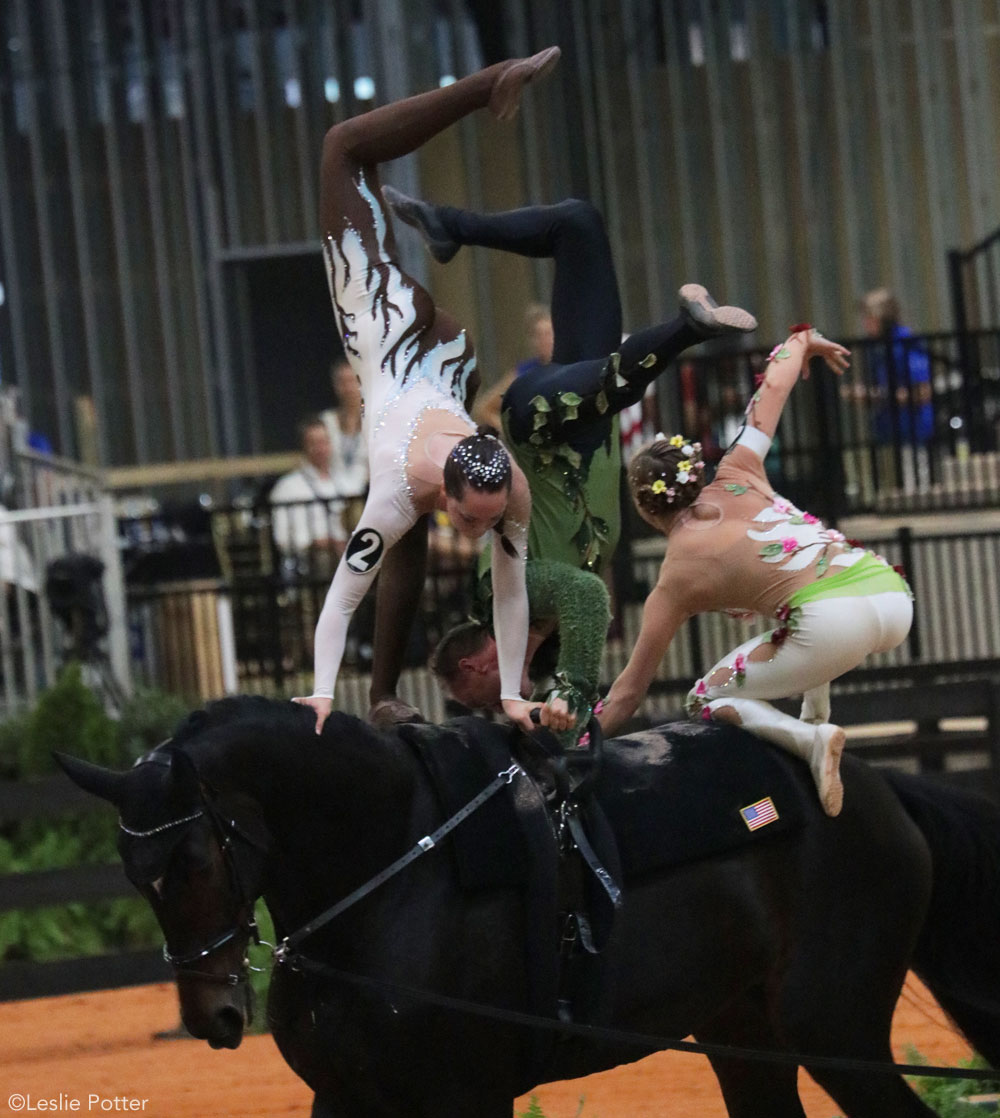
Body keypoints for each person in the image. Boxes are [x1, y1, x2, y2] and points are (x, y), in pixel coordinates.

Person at [294, 47, 571, 738]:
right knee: (342, 149)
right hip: (397, 335)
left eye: (482, 520)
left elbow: (509, 594)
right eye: (472, 520)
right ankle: (486, 84)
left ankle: (385, 694)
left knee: (408, 538)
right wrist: (321, 692)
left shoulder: (504, 485)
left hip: (443, 363)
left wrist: (513, 693)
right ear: (450, 491)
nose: (477, 533)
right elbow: (340, 598)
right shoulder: (396, 488)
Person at [597, 326, 914, 817]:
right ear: (695, 473)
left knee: (704, 696)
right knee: (796, 607)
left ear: (643, 506)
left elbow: (629, 692)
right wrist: (805, 341)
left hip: (832, 626)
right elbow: (774, 387)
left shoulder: (677, 572)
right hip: (893, 598)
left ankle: (811, 740)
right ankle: (817, 714)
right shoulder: (740, 468)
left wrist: (575, 740)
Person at [383, 191, 758, 579]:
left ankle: (689, 328)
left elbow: (508, 601)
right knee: (579, 222)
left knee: (613, 385)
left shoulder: (529, 575)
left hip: (539, 430)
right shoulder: (605, 546)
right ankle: (449, 227)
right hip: (588, 407)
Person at [432, 559, 611, 742]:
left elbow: (585, 591)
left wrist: (571, 690)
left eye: (483, 703)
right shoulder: (541, 657)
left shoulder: (492, 594)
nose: (499, 710)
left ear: (470, 667)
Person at [269, 416, 349, 573]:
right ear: (303, 447)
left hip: (347, 561)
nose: (321, 449)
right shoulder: (287, 488)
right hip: (307, 568)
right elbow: (282, 539)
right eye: (314, 443)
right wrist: (317, 544)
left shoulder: (345, 484)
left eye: (324, 442)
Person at [474, 303, 554, 430]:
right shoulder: (525, 372)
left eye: (549, 334)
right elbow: (485, 409)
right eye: (539, 335)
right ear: (532, 341)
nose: (545, 341)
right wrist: (514, 434)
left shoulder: (571, 366)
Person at [318, 356, 368, 533]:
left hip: (366, 498)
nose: (348, 388)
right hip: (332, 496)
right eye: (342, 382)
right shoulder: (326, 421)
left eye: (352, 381)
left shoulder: (375, 420)